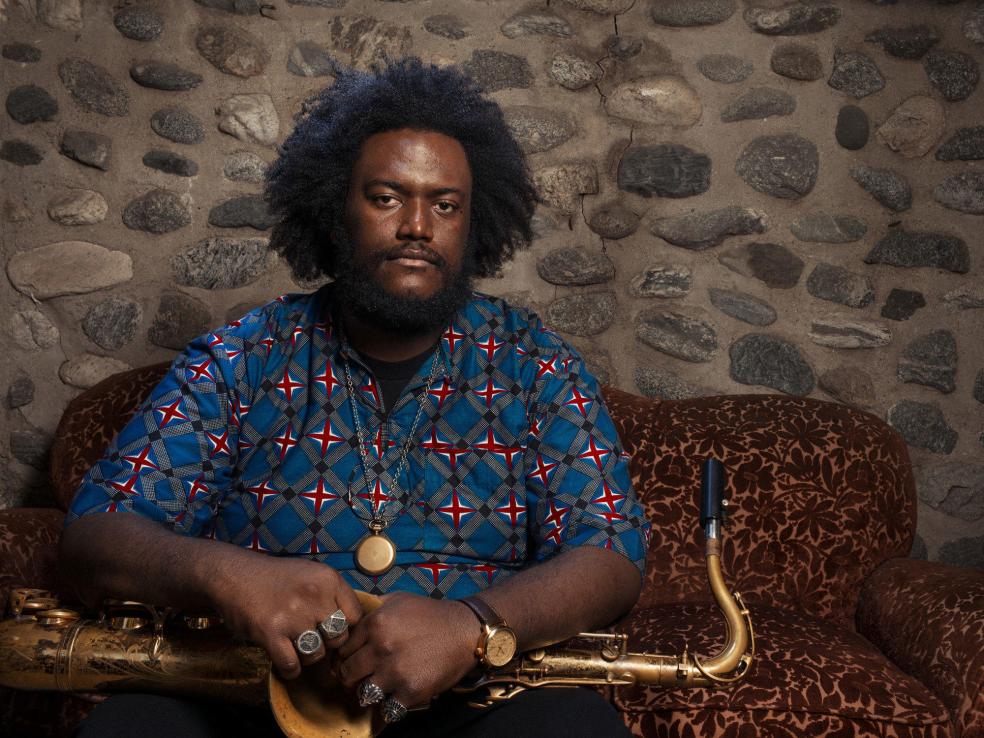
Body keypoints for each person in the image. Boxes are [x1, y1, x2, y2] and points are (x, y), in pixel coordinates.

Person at [60, 58, 650, 737]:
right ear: (336, 210)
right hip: (254, 701)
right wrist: (226, 576)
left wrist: (473, 625)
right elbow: (95, 533)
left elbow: (611, 551)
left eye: (445, 205)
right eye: (387, 197)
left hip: (471, 704)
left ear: (473, 223)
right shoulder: (242, 357)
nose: (418, 226)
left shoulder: (537, 365)